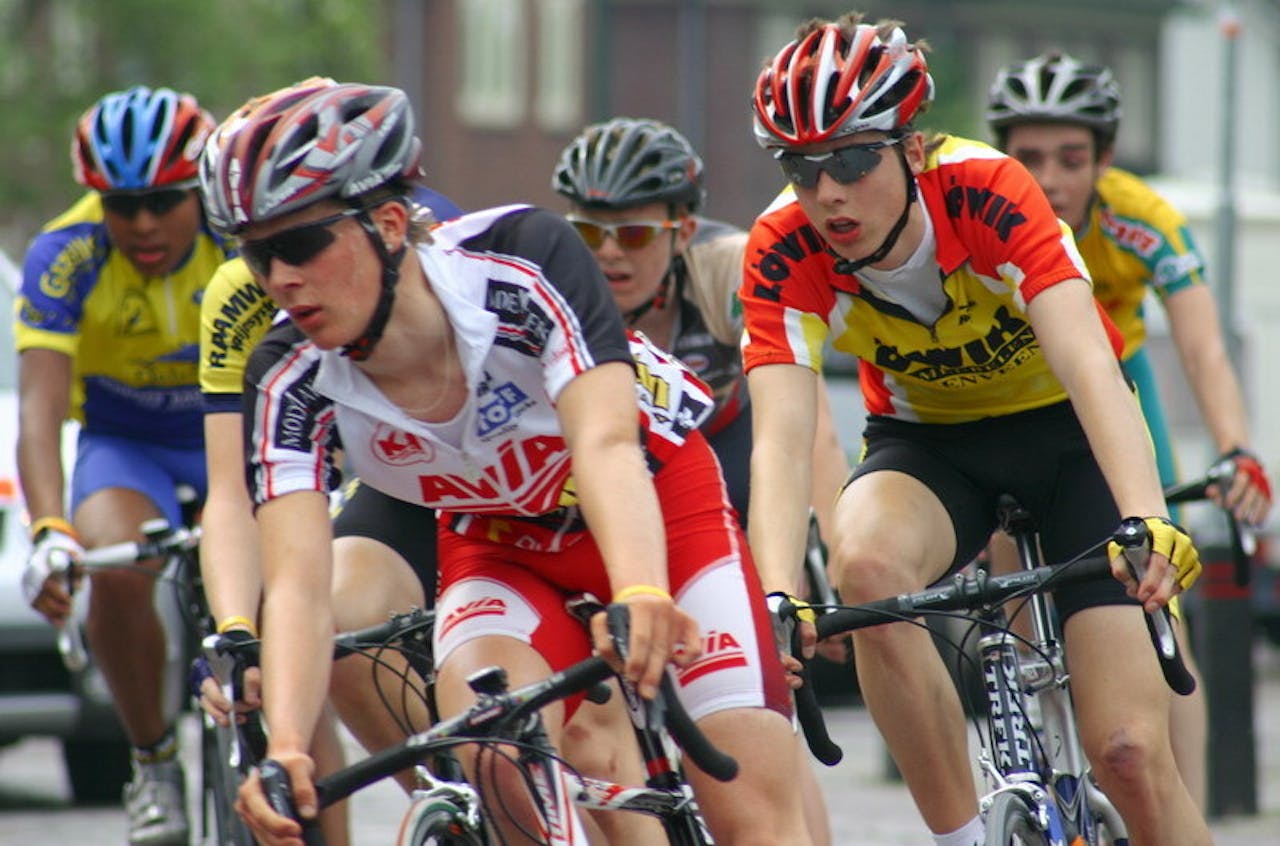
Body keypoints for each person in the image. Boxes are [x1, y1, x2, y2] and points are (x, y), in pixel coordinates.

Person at [199, 81, 813, 846]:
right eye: (255, 254)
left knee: (749, 809)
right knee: (491, 744)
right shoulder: (285, 375)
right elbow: (295, 583)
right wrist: (287, 743)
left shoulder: (526, 259)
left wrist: (643, 589)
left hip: (657, 505)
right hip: (500, 543)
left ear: (389, 223)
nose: (278, 278)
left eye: (299, 245)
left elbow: (606, 444)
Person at [741, 14, 1210, 846]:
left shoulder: (987, 190)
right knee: (864, 565)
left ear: (912, 151)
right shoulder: (783, 247)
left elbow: (1092, 370)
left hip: (1065, 438)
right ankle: (962, 835)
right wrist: (775, 590)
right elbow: (781, 435)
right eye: (801, 168)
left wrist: (1149, 515)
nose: (829, 193)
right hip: (930, 447)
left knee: (1131, 754)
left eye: (853, 158)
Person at [985, 51, 1274, 810]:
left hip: (1116, 386)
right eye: (1029, 157)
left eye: (1072, 159)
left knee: (1159, 602)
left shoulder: (1142, 219)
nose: (1050, 179)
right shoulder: (982, 219)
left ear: (1105, 159)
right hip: (1015, 398)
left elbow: (1205, 346)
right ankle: (1040, 766)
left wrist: (1235, 447)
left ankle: (1185, 796)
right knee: (1011, 580)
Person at [551, 115, 845, 845]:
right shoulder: (552, 285)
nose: (610, 255)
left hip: (733, 468)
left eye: (636, 234)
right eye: (590, 234)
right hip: (622, 483)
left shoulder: (728, 267)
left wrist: (832, 551)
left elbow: (808, 428)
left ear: (682, 230)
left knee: (757, 704)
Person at [16, 85, 231, 845]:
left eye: (165, 200)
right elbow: (39, 413)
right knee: (112, 567)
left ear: (200, 187)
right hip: (125, 443)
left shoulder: (241, 235)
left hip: (231, 435)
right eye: (121, 203)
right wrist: (49, 529)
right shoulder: (63, 255)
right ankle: (155, 759)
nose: (142, 223)